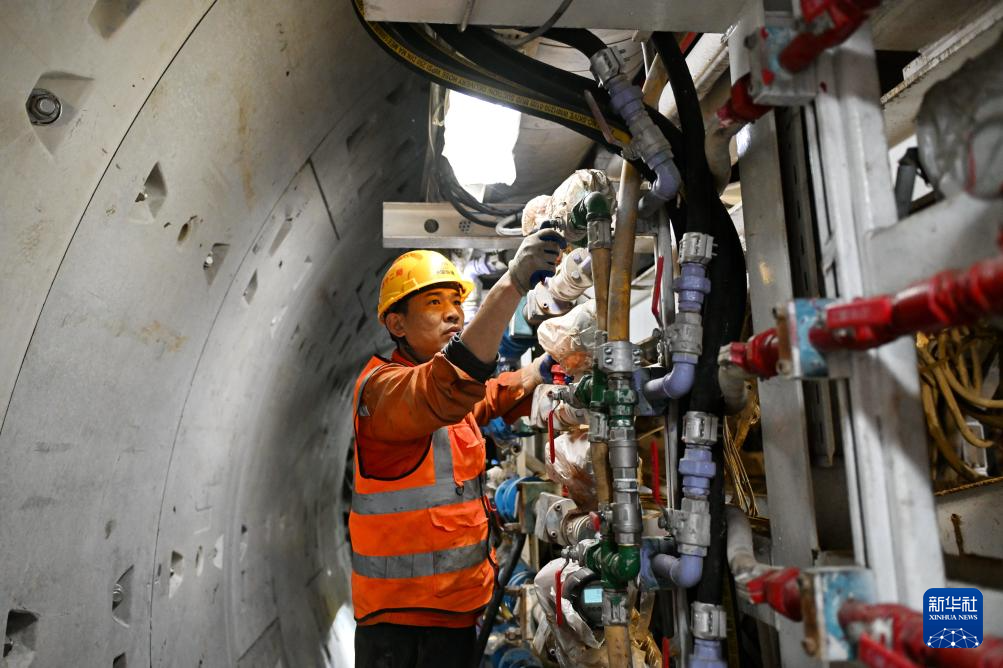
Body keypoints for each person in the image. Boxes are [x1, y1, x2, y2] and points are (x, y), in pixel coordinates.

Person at [351, 231, 565, 667]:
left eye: (455, 301)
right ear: (397, 325)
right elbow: (449, 388)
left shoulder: (438, 392)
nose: (453, 312)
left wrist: (538, 371)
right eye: (434, 303)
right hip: (403, 629)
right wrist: (513, 283)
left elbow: (481, 399)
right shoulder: (384, 391)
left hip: (453, 612)